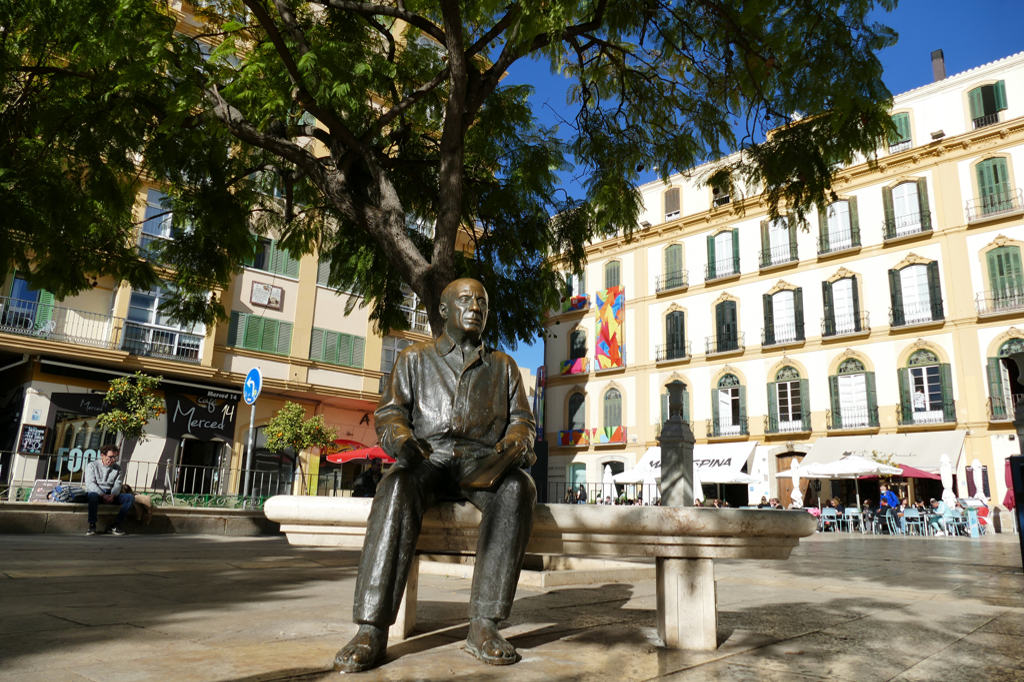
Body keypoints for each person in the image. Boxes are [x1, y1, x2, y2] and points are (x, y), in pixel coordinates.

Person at [335, 279, 537, 673]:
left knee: (519, 489)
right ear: (444, 310)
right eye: (465, 300)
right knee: (394, 487)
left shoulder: (504, 366)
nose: (475, 306)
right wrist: (402, 441)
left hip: (483, 462)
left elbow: (523, 422)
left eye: (482, 301)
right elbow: (390, 413)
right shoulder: (414, 357)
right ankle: (371, 627)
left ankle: (484, 624)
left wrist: (516, 444)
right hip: (427, 457)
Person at [84, 444, 134, 536]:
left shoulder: (117, 468)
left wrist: (113, 495)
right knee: (92, 496)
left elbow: (118, 484)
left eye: (115, 457)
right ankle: (92, 525)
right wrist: (102, 495)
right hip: (97, 493)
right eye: (110, 457)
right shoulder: (92, 466)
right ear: (102, 455)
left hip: (111, 494)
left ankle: (115, 525)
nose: (113, 460)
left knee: (130, 498)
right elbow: (90, 483)